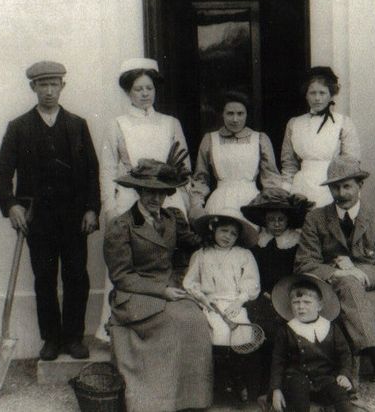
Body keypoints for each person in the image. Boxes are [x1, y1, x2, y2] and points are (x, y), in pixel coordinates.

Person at [0, 60, 100, 361]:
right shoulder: (19, 127)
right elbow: (0, 173)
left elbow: (92, 172)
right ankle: (51, 338)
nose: (49, 91)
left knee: (76, 276)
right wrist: (11, 204)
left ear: (63, 86)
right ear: (33, 87)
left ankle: (74, 337)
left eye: (54, 84)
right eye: (43, 85)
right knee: (44, 278)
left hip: (75, 217)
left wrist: (92, 209)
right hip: (37, 219)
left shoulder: (77, 125)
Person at [97, 57, 196, 342]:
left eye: (149, 88)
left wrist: (185, 203)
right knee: (129, 259)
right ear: (128, 92)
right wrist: (110, 207)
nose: (144, 94)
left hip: (167, 198)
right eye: (138, 89)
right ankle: (121, 330)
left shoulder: (170, 123)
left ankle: (172, 326)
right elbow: (108, 169)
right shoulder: (117, 124)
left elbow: (184, 167)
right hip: (130, 198)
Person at [103, 158, 211, 411]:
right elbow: (121, 276)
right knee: (173, 322)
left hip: (170, 286)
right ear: (139, 191)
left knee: (195, 320)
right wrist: (161, 291)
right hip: (135, 294)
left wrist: (217, 231)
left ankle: (190, 400)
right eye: (150, 192)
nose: (156, 199)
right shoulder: (121, 226)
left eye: (161, 193)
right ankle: (156, 401)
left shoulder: (172, 218)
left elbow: (191, 243)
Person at [294, 156, 375, 387]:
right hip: (329, 294)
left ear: (360, 185)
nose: (341, 193)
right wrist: (337, 274)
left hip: (372, 296)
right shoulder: (315, 219)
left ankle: (350, 382)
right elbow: (304, 264)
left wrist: (357, 272)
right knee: (347, 283)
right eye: (335, 187)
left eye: (347, 186)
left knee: (351, 284)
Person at [239, 188, 315, 401]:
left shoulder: (296, 243)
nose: (276, 224)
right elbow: (252, 275)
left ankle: (288, 386)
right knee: (258, 327)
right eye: (271, 220)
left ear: (288, 220)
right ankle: (261, 388)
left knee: (283, 329)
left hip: (289, 296)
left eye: (281, 219)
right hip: (262, 295)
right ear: (265, 221)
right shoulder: (258, 243)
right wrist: (263, 293)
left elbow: (300, 273)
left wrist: (285, 295)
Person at [184, 207, 261, 402]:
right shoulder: (201, 255)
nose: (228, 236)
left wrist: (239, 301)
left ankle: (238, 382)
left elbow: (251, 282)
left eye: (233, 233)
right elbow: (190, 282)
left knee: (240, 332)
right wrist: (203, 298)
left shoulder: (243, 255)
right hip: (210, 304)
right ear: (214, 229)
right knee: (217, 331)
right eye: (224, 231)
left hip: (234, 303)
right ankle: (220, 383)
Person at [269, 274, 353, 412]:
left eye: (307, 302)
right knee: (298, 398)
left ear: (319, 306)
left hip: (325, 377)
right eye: (296, 302)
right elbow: (278, 361)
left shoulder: (331, 327)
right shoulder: (286, 330)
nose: (301, 307)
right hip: (296, 379)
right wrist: (276, 390)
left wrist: (344, 374)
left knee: (341, 397)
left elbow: (345, 354)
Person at [281, 67, 360, 207]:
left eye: (322, 93)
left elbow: (351, 162)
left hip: (332, 187)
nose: (317, 98)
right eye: (312, 93)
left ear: (331, 95)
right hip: (301, 188)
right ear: (306, 95)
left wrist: (344, 193)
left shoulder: (343, 123)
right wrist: (285, 192)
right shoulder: (294, 124)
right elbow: (289, 163)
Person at [193, 90, 281, 217]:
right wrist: (196, 205)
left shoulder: (260, 139)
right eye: (230, 113)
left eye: (240, 114)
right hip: (220, 202)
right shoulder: (210, 139)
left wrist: (272, 205)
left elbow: (271, 177)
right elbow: (200, 178)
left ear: (246, 114)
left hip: (251, 202)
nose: (235, 119)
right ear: (222, 114)